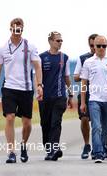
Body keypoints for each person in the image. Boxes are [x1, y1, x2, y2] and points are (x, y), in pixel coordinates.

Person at [0, 18, 43, 163]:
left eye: (20, 28)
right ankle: (11, 152)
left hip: (26, 89)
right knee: (9, 117)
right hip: (9, 88)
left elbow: (37, 67)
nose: (17, 30)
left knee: (27, 123)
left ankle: (23, 145)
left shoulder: (30, 46)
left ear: (23, 29)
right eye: (15, 27)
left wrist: (39, 85)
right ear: (10, 28)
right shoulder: (2, 49)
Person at [80, 35, 107, 163]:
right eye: (99, 46)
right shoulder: (88, 62)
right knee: (96, 127)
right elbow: (83, 83)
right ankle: (98, 153)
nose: (101, 48)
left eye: (104, 46)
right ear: (94, 46)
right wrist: (83, 102)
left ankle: (100, 148)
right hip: (94, 100)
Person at [38, 31, 73, 161]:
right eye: (58, 40)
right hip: (44, 98)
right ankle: (49, 150)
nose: (60, 43)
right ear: (50, 41)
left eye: (61, 40)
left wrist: (70, 94)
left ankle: (55, 148)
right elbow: (37, 76)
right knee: (45, 124)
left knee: (56, 123)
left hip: (59, 97)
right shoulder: (41, 57)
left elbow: (67, 77)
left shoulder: (65, 58)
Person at [73, 34, 98, 159]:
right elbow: (76, 77)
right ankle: (87, 144)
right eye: (91, 45)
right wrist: (86, 73)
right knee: (84, 119)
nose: (94, 47)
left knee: (98, 123)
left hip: (100, 93)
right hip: (85, 93)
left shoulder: (106, 58)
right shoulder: (82, 58)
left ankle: (97, 147)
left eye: (96, 45)